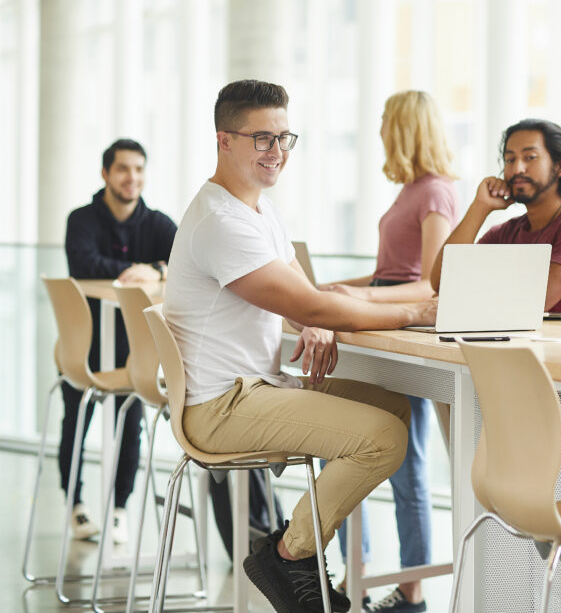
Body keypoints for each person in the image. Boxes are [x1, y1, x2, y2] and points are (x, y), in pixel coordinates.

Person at [163, 79, 436, 613]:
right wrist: (413, 312)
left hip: (256, 387)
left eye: (286, 138)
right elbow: (311, 304)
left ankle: (300, 554)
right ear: (225, 141)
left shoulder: (258, 211)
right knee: (382, 438)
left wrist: (312, 318)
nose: (278, 152)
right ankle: (290, 556)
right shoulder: (221, 220)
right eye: (263, 139)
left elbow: (301, 295)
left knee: (391, 405)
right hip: (222, 406)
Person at [320, 90, 457, 613]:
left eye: (384, 121)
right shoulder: (409, 191)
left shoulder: (435, 193)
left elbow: (428, 285)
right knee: (363, 450)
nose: (378, 129)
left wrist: (360, 294)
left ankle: (413, 589)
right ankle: (363, 572)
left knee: (409, 463)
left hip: (404, 330)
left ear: (403, 127)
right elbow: (386, 273)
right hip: (378, 326)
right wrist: (332, 286)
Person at [61, 138, 177, 544]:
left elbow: (185, 263)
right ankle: (75, 505)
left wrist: (158, 269)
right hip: (86, 344)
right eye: (124, 169)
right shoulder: (82, 219)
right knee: (76, 419)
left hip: (133, 346)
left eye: (139, 169)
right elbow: (84, 264)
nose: (133, 177)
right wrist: (140, 268)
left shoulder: (159, 222)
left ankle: (119, 510)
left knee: (130, 423)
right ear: (106, 174)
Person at [429, 118, 561, 318]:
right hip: (514, 341)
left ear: (560, 166)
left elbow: (534, 301)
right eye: (510, 159)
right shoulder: (504, 233)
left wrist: (466, 298)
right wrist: (479, 208)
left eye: (530, 157)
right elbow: (443, 283)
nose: (517, 169)